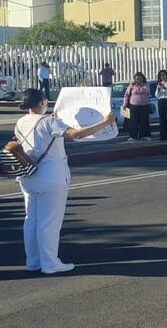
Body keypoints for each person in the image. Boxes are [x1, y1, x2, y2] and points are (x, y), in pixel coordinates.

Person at [13, 89, 114, 274]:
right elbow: (76, 134)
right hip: (51, 176)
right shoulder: (50, 121)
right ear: (42, 102)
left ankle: (33, 261)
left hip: (27, 175)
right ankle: (50, 263)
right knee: (49, 222)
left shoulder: (20, 122)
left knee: (31, 220)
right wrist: (104, 123)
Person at [122, 72, 152, 141]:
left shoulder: (146, 85)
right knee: (133, 122)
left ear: (142, 78)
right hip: (133, 105)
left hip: (144, 105)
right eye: (136, 79)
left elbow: (148, 93)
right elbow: (126, 96)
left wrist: (141, 86)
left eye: (139, 78)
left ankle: (145, 135)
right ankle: (133, 136)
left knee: (144, 121)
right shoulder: (131, 86)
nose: (138, 80)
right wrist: (124, 105)